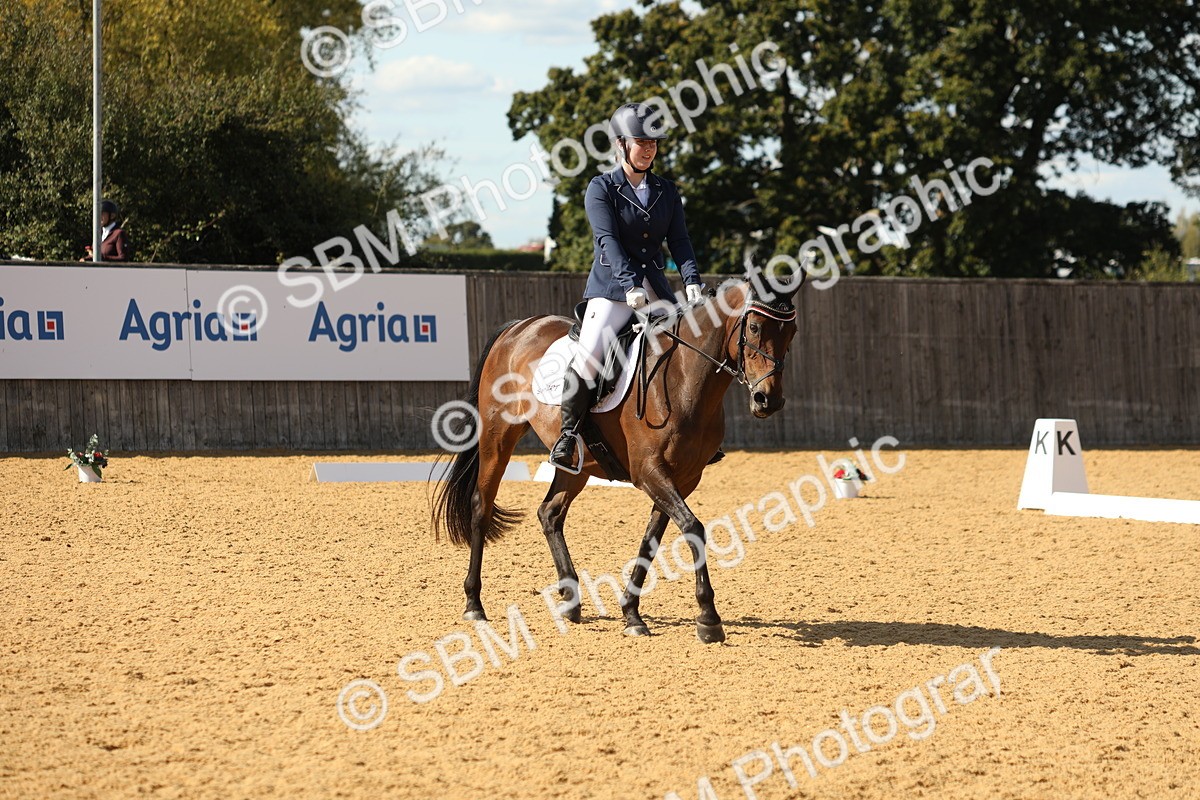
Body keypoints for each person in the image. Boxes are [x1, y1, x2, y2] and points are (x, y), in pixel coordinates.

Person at [549, 102, 705, 471]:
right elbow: (608, 241)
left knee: (690, 346)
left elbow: (680, 241)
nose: (649, 148)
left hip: (655, 288)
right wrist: (628, 283)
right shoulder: (600, 188)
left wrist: (693, 281)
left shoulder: (666, 191)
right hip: (613, 289)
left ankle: (690, 433)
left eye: (654, 142)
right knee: (589, 354)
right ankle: (568, 437)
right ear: (621, 144)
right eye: (641, 141)